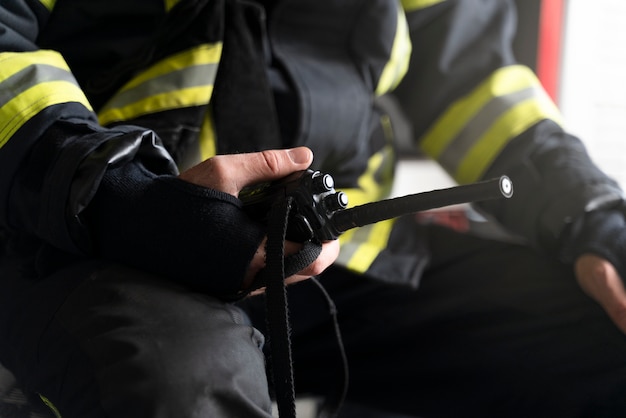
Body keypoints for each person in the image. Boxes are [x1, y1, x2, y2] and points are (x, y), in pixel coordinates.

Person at [1, 0, 625, 417]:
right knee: (183, 382)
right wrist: (114, 193)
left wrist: (586, 208)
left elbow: (470, 76)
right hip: (94, 236)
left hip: (348, 250)